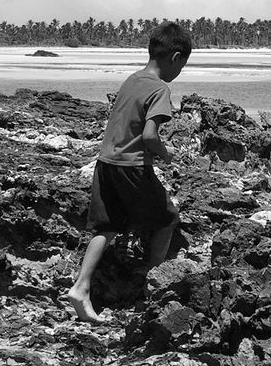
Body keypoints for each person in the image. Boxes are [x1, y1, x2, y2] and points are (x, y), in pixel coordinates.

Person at [67, 22, 192, 323]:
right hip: (131, 168)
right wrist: (166, 154)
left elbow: (126, 126)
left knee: (107, 227)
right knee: (168, 217)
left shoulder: (132, 80)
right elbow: (149, 135)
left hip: (105, 163)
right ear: (175, 58)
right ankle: (153, 283)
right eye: (183, 65)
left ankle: (81, 288)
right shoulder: (161, 89)